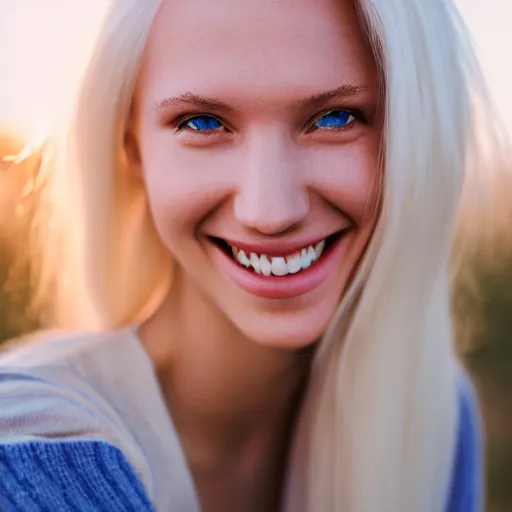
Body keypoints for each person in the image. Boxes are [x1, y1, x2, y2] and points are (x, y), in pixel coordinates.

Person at [0, 0, 486, 510]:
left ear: (417, 135)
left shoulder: (432, 417)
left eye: (335, 118)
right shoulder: (32, 451)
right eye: (203, 123)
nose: (269, 212)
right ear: (133, 151)